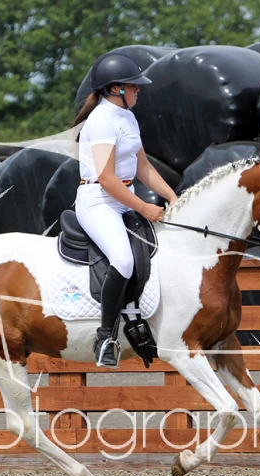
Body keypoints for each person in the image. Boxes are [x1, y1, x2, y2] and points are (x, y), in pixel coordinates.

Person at [73, 51, 178, 368]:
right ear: (115, 88)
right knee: (123, 259)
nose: (138, 90)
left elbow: (143, 167)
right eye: (133, 86)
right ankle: (105, 336)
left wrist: (173, 197)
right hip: (98, 201)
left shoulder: (127, 117)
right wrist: (145, 207)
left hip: (124, 198)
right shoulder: (102, 121)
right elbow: (106, 179)